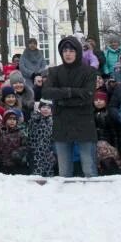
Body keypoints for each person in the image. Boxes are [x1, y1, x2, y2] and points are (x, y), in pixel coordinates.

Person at [41, 35, 98, 178]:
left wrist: (62, 98)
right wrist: (72, 92)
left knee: (89, 170)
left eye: (71, 50)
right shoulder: (54, 72)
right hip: (62, 123)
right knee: (64, 172)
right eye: (65, 50)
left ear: (78, 52)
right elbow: (47, 92)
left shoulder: (89, 72)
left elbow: (88, 96)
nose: (68, 53)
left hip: (84, 123)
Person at [0, 109, 27, 175]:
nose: (12, 121)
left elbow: (25, 146)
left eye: (14, 119)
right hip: (2, 165)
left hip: (16, 165)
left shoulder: (21, 133)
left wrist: (18, 152)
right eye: (9, 119)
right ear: (5, 120)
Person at [93, 90, 121, 175]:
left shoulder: (109, 114)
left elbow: (114, 132)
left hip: (108, 144)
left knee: (110, 163)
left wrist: (115, 145)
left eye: (101, 99)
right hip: (95, 143)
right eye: (96, 100)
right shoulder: (91, 113)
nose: (98, 101)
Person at [27, 100, 56, 177]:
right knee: (36, 174)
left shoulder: (53, 122)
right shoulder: (35, 119)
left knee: (49, 174)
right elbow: (29, 134)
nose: (46, 109)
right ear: (39, 108)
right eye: (43, 107)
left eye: (48, 108)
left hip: (48, 153)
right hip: (35, 152)